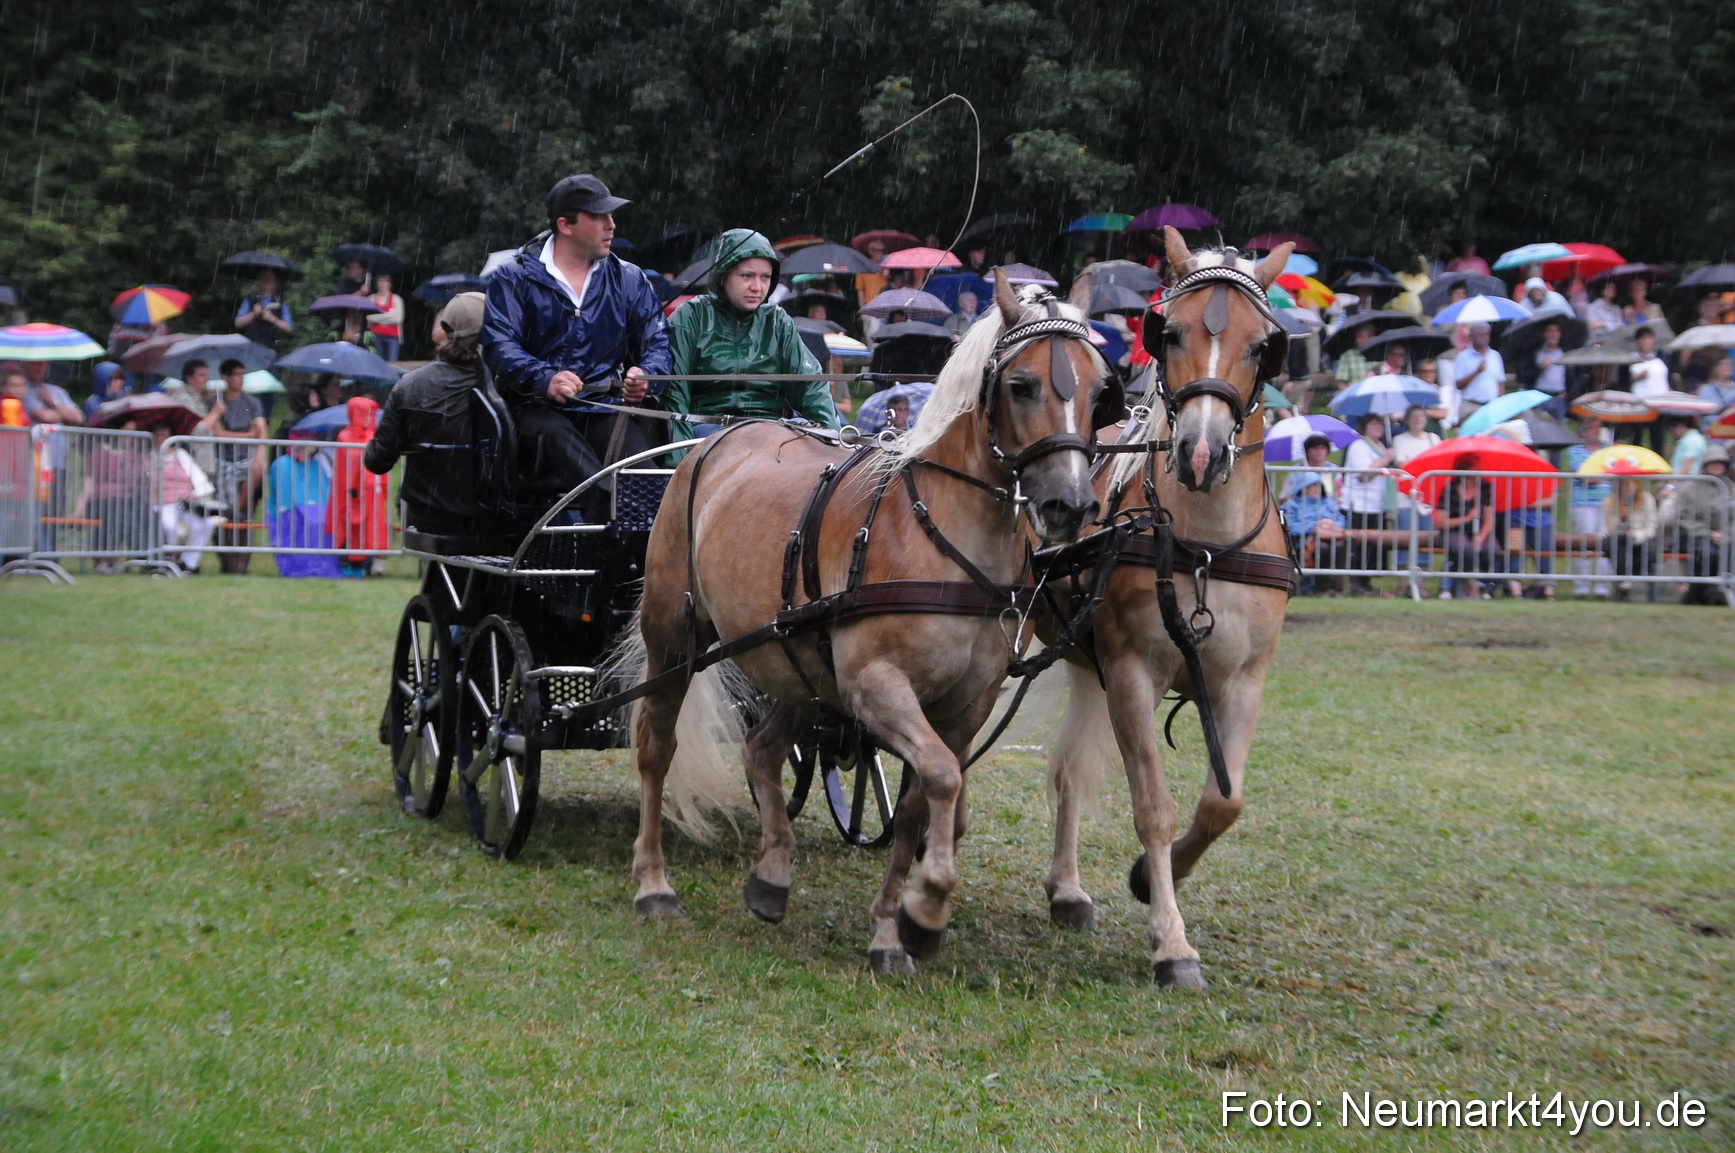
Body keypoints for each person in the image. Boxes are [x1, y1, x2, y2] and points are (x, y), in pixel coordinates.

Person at [482, 173, 671, 520]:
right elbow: (499, 346)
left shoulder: (629, 279)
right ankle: (610, 537)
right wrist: (545, 378)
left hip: (601, 409)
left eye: (611, 216)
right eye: (599, 217)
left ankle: (638, 563)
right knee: (594, 483)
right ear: (565, 225)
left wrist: (648, 375)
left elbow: (657, 342)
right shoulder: (513, 277)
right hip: (531, 411)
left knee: (648, 482)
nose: (611, 225)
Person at [663, 229, 838, 445]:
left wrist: (834, 441)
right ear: (723, 275)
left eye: (765, 277)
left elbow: (811, 388)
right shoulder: (690, 316)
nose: (757, 287)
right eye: (746, 276)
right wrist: (677, 462)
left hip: (771, 433)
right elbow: (674, 395)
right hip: (705, 433)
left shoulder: (777, 321)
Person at [365, 292, 492, 534]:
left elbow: (377, 460)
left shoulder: (410, 385)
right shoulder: (505, 381)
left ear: (445, 329)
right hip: (493, 517)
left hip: (428, 515)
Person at [205, 358, 269, 574]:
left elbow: (261, 428)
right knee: (223, 513)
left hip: (243, 459)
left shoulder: (251, 402)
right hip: (222, 459)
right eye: (237, 374)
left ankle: (239, 508)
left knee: (256, 474)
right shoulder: (215, 402)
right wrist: (248, 435)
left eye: (243, 374)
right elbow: (219, 433)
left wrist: (260, 451)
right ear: (226, 378)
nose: (241, 379)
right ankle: (229, 561)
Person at [326, 396, 390, 577]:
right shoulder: (345, 437)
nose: (370, 418)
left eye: (372, 414)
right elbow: (343, 469)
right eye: (367, 414)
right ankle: (351, 567)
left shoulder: (373, 436)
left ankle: (372, 565)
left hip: (372, 494)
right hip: (351, 494)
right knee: (351, 529)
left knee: (373, 530)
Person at [265, 430, 340, 578]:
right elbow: (283, 500)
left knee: (320, 524)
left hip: (317, 512)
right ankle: (297, 567)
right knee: (295, 524)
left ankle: (320, 566)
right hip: (289, 512)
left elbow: (323, 493)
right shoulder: (282, 464)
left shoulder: (317, 466)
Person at [1668, 442, 1730, 604]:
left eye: (1720, 463)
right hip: (1694, 536)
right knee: (1707, 553)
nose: (1717, 466)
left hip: (1726, 537)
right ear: (1705, 465)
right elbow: (1682, 517)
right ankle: (1704, 594)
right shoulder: (1689, 487)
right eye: (1713, 462)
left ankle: (1721, 593)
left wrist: (1727, 534)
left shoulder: (1730, 488)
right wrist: (1709, 534)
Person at [1340, 413, 1395, 594]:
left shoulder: (1381, 447)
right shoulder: (1359, 445)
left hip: (1376, 505)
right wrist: (1386, 459)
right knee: (1359, 545)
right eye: (1373, 424)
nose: (1378, 427)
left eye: (1380, 423)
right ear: (1364, 427)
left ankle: (1366, 583)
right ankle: (1355, 583)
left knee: (1372, 548)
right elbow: (1364, 474)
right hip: (1359, 504)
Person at [1390, 404, 1441, 595]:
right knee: (1404, 540)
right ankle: (1403, 583)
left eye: (1421, 416)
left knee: (1424, 541)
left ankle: (1422, 584)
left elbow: (1438, 464)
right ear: (1408, 420)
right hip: (1405, 497)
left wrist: (1417, 465)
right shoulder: (1400, 440)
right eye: (1414, 416)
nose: (1418, 419)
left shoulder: (1433, 439)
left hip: (1427, 499)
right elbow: (1403, 464)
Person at [152, 425, 216, 573]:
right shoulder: (151, 457)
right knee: (170, 526)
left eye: (165, 435)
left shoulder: (180, 454)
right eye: (158, 435)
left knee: (206, 524)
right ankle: (171, 559)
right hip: (163, 503)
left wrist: (196, 492)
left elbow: (198, 478)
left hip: (185, 503)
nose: (162, 439)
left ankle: (189, 564)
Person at [1566, 416, 1613, 597]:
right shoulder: (1575, 451)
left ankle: (1603, 588)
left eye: (1599, 428)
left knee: (1605, 544)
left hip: (1606, 504)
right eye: (1592, 428)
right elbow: (1586, 477)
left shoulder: (1608, 452)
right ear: (1584, 431)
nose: (1596, 431)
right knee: (1584, 545)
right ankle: (1582, 587)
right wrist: (1607, 475)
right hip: (1583, 504)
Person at [1436, 469, 1500, 599]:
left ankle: (1486, 587)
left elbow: (1490, 519)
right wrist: (1466, 518)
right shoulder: (1449, 490)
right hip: (1453, 531)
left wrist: (1481, 538)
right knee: (1464, 549)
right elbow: (1441, 523)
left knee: (1492, 550)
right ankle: (1471, 585)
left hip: (1479, 531)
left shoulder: (1486, 488)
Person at [1280, 471, 1346, 595]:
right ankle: (1323, 589)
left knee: (1340, 547)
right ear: (1303, 487)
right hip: (1303, 543)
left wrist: (1332, 525)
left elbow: (1341, 519)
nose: (1316, 489)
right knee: (1322, 549)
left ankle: (1338, 588)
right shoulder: (1292, 505)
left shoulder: (1329, 503)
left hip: (1331, 538)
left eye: (1318, 486)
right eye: (1312, 486)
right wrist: (1314, 527)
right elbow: (1289, 525)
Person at [1602, 474, 1657, 600]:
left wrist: (1637, 534)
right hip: (1619, 538)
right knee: (1614, 544)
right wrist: (1621, 519)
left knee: (1646, 548)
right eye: (1625, 484)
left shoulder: (1647, 500)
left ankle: (1634, 582)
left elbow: (1651, 527)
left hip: (1641, 538)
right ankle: (1623, 583)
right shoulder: (1610, 502)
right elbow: (1609, 529)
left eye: (1632, 483)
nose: (1629, 487)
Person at [1517, 320, 1571, 418]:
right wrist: (1540, 368)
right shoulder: (1534, 353)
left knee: (1559, 431)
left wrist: (1569, 392)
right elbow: (1522, 377)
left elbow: (1572, 376)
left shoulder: (1565, 353)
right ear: (1544, 334)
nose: (1553, 334)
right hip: (1538, 398)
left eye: (1556, 331)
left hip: (1559, 399)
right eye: (1550, 331)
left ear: (1560, 334)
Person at [1450, 323, 1504, 418]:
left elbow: (1500, 383)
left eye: (1486, 334)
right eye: (1480, 334)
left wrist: (1500, 403)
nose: (1484, 337)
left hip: (1491, 405)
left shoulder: (1495, 356)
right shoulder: (1462, 357)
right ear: (1471, 337)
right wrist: (1476, 372)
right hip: (1470, 406)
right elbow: (1458, 385)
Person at [234, 270, 293, 353]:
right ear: (259, 281)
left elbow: (288, 328)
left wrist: (272, 318)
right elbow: (238, 324)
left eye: (270, 280)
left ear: (274, 283)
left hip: (272, 349)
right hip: (251, 348)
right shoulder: (249, 301)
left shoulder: (281, 304)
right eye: (264, 279)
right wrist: (253, 313)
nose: (267, 282)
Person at [1280, 433, 1336, 501]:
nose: (1319, 451)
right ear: (1307, 452)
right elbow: (1283, 497)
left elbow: (1339, 498)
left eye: (1323, 448)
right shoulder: (1295, 470)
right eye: (1315, 448)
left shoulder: (1334, 471)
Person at [366, 274, 405, 361]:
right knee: (377, 363)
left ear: (389, 284)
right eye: (380, 281)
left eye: (385, 281)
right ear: (376, 284)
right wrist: (389, 316)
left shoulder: (397, 299)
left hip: (393, 336)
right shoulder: (370, 299)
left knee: (393, 364)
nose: (382, 284)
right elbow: (368, 317)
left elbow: (398, 319)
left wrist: (378, 318)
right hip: (375, 335)